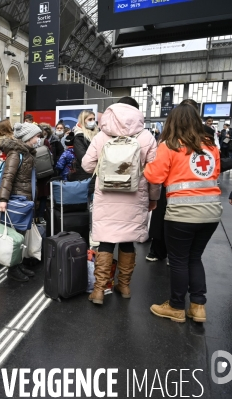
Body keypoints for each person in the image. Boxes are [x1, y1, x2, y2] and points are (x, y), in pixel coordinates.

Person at [145, 104, 222, 323]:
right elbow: (213, 173)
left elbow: (155, 176)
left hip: (182, 214)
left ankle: (177, 307)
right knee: (194, 258)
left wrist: (146, 166)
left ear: (172, 122)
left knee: (178, 261)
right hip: (211, 213)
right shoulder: (210, 147)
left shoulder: (169, 146)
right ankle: (198, 306)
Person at [81, 97, 160, 305]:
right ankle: (123, 286)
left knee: (106, 240)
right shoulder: (146, 137)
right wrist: (153, 198)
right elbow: (154, 174)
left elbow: (87, 166)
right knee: (127, 241)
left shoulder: (101, 136)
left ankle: (98, 290)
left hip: (106, 198)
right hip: (135, 198)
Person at [0, 122, 39, 282]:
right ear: (29, 137)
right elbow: (7, 177)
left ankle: (17, 264)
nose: (38, 139)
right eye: (36, 136)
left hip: (23, 199)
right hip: (16, 200)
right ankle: (12, 269)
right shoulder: (16, 154)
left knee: (20, 236)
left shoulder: (26, 153)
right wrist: (3, 199)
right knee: (14, 237)